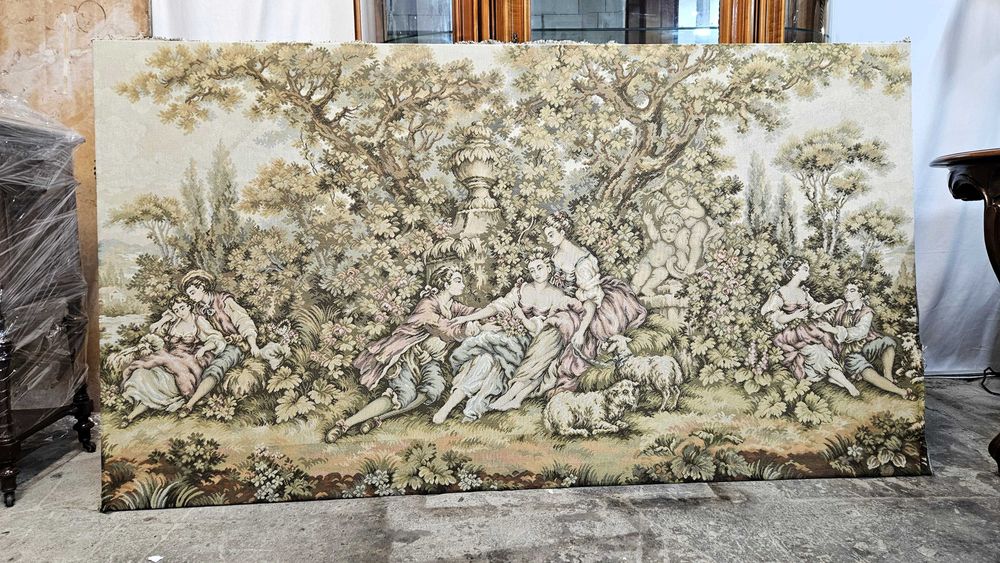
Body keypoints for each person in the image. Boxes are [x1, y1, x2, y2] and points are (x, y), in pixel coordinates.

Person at [491, 212, 647, 408]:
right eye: (547, 235)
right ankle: (515, 396)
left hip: (587, 312)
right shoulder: (555, 255)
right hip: (563, 307)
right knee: (547, 341)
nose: (548, 239)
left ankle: (514, 395)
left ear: (562, 231)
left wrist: (581, 331)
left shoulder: (582, 261)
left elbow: (590, 302)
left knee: (551, 338)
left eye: (551, 234)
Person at [325, 267, 484, 443]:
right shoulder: (427, 304)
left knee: (434, 387)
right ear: (445, 284)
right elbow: (442, 328)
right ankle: (345, 425)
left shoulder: (453, 307)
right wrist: (465, 330)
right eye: (458, 280)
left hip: (431, 360)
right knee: (404, 394)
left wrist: (493, 314)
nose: (462, 285)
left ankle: (379, 419)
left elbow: (474, 313)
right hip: (409, 355)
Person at [433, 250, 582, 423]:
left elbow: (543, 331)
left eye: (540, 268)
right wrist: (467, 318)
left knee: (497, 370)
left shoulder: (558, 296)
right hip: (506, 337)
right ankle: (448, 407)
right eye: (532, 270)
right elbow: (497, 306)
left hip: (527, 347)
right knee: (484, 360)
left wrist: (521, 317)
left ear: (549, 268)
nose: (536, 273)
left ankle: (473, 409)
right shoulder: (523, 288)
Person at [118, 299, 227, 426]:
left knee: (168, 376)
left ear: (189, 306)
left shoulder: (198, 321)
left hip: (189, 358)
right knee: (148, 376)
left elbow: (216, 339)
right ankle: (130, 416)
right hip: (171, 357)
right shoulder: (174, 322)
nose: (180, 312)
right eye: (176, 310)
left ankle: (130, 417)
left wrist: (204, 349)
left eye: (182, 308)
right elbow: (156, 334)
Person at [760, 258, 859, 396]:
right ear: (794, 271)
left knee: (827, 346)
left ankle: (835, 378)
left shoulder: (803, 292)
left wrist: (831, 305)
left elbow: (815, 308)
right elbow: (775, 317)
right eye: (805, 269)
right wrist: (795, 316)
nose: (808, 273)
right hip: (791, 334)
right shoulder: (780, 292)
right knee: (817, 352)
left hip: (808, 330)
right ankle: (847, 385)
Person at [179, 270, 261, 415]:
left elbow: (243, 321)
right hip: (213, 344)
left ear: (202, 287)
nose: (190, 297)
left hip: (235, 344)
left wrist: (252, 343)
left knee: (218, 365)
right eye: (189, 294)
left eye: (192, 292)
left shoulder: (223, 300)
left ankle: (190, 404)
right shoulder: (197, 310)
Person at [815, 280, 914, 399]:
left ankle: (888, 377)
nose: (847, 293)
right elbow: (819, 312)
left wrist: (834, 330)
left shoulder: (866, 312)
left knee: (887, 342)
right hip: (846, 352)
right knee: (863, 367)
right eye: (846, 290)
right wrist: (831, 306)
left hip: (864, 345)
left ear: (860, 294)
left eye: (852, 290)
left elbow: (860, 332)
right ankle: (901, 392)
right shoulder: (840, 308)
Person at [631, 210, 688, 297]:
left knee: (663, 273)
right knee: (644, 272)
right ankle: (633, 289)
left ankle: (647, 288)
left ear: (678, 232)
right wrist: (649, 223)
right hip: (648, 262)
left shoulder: (676, 247)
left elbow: (681, 259)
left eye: (672, 231)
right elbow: (653, 233)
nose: (667, 235)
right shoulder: (659, 239)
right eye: (664, 231)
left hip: (659, 268)